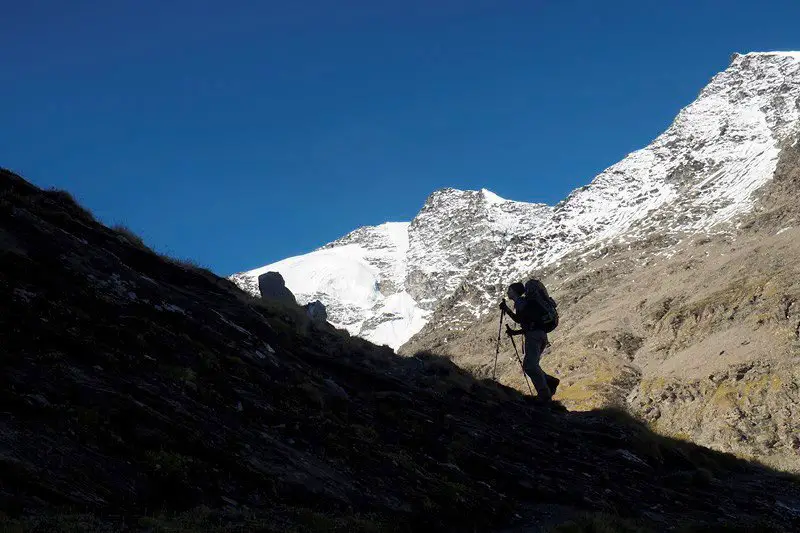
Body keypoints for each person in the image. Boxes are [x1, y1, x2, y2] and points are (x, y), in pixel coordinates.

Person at [499, 282, 560, 401]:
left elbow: (522, 321)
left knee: (530, 366)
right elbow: (527, 323)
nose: (508, 292)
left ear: (515, 291)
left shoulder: (521, 303)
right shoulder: (524, 303)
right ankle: (550, 382)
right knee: (531, 365)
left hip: (534, 337)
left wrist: (507, 310)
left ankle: (544, 395)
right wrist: (514, 331)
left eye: (510, 290)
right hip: (540, 335)